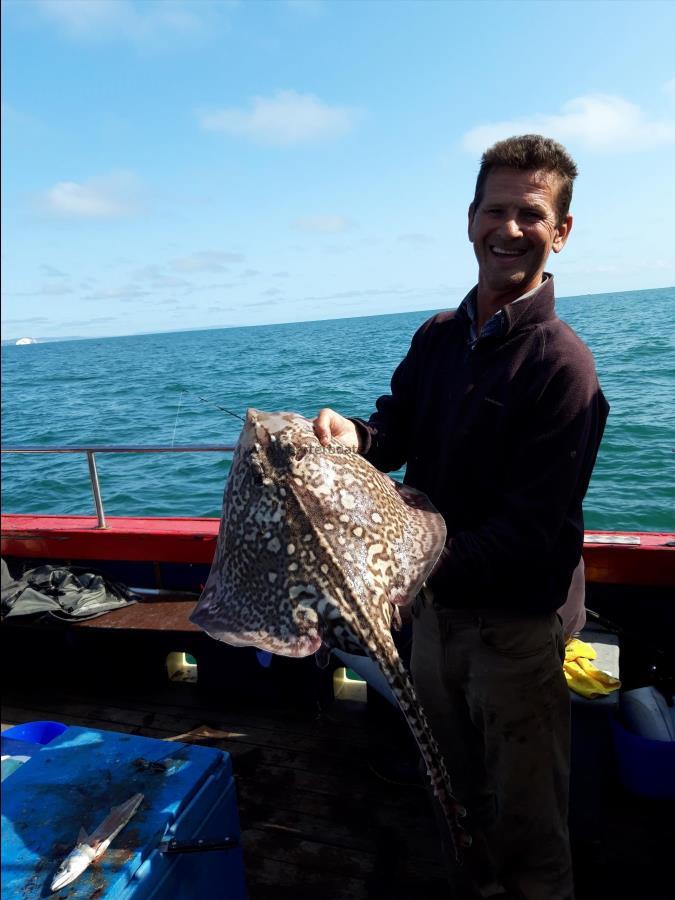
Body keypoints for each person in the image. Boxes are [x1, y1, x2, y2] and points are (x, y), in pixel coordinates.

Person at [313, 134, 609, 900]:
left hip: (513, 632)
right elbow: (394, 431)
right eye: (494, 210)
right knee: (450, 795)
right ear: (469, 219)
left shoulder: (561, 366)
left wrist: (400, 562)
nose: (508, 229)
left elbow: (529, 536)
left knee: (528, 827)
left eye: (530, 214)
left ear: (561, 232)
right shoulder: (438, 337)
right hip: (432, 620)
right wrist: (355, 439)